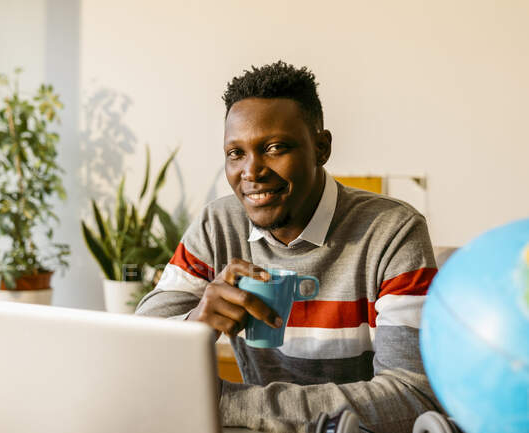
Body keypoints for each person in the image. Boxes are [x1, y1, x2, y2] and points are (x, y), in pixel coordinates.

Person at [136, 61, 440, 433]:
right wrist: (195, 323)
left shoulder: (393, 231)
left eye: (275, 147)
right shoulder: (218, 225)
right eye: (236, 153)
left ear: (321, 147)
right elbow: (139, 353)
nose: (251, 171)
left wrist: (226, 403)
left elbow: (411, 394)